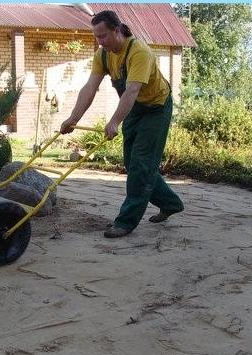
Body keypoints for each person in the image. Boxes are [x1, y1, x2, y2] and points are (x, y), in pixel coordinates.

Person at [60, 10, 184, 238]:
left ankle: (126, 222)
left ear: (117, 30)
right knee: (132, 162)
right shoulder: (103, 55)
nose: (100, 41)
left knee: (142, 166)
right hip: (135, 109)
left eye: (103, 36)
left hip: (156, 109)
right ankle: (171, 203)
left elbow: (132, 90)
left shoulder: (139, 52)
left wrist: (115, 121)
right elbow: (90, 88)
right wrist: (73, 119)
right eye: (97, 37)